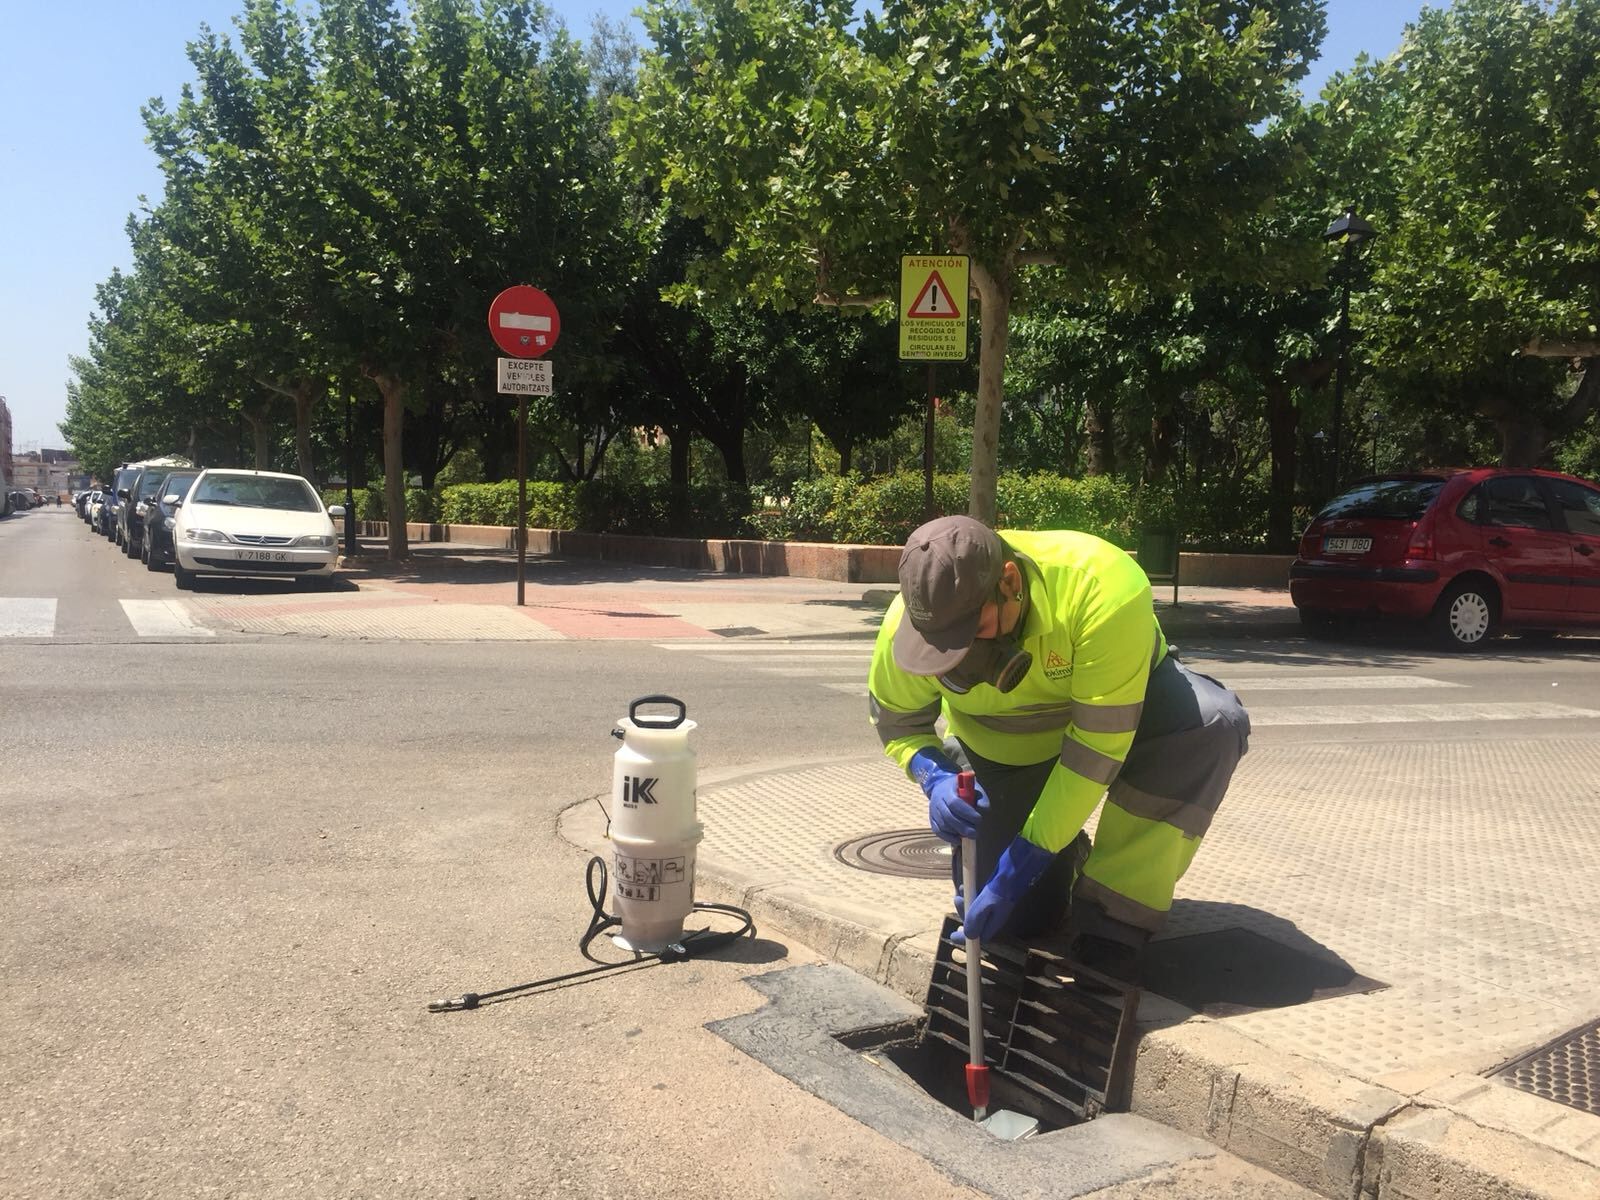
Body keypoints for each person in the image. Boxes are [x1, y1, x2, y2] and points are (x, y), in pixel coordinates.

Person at [867, 515, 1251, 980]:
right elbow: (898, 721)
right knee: (1015, 924)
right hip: (1009, 755)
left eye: (972, 632)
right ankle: (1068, 856)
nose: (957, 657)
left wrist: (1024, 859)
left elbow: (1095, 750)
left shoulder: (1102, 588)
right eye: (942, 647)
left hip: (1120, 724)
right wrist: (935, 776)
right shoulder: (911, 627)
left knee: (1210, 725)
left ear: (1009, 583)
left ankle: (1116, 913)